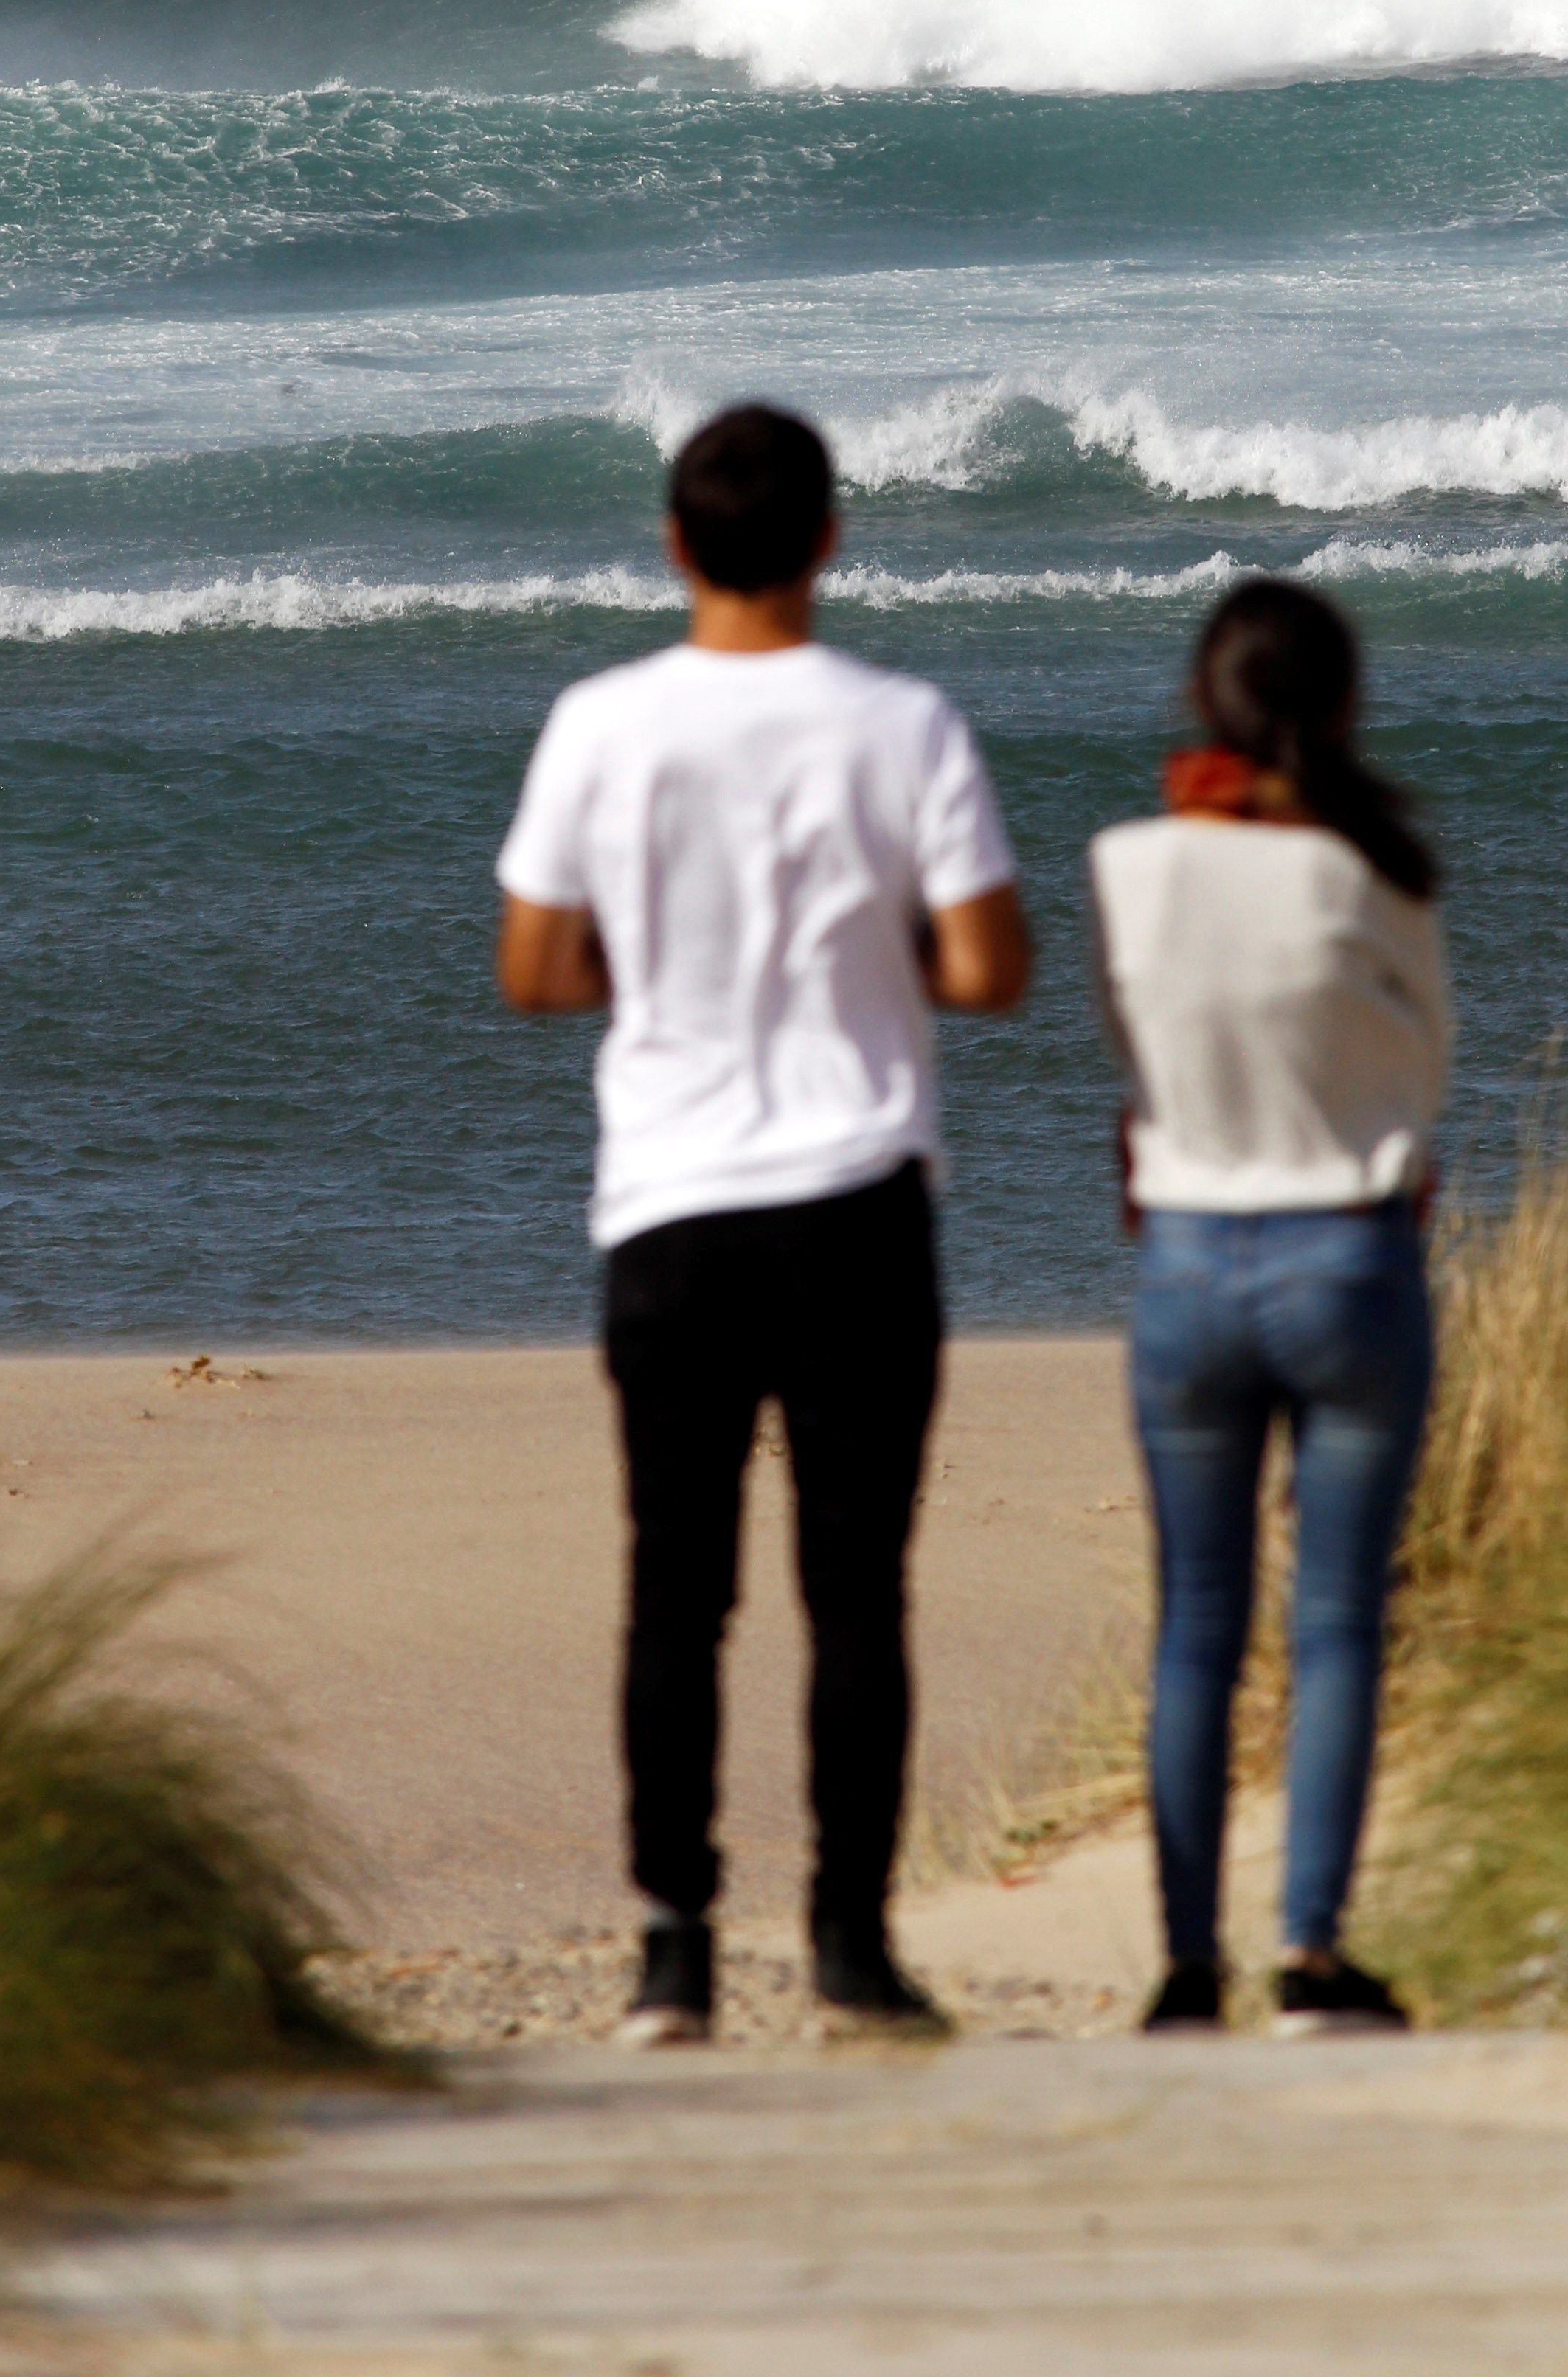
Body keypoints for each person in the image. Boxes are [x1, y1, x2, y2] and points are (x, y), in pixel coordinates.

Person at [496, 403, 1030, 2045]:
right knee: (857, 1587)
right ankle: (854, 1946)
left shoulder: (601, 721)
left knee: (679, 1587)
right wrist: (885, 969)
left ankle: (673, 1951)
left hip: (671, 1204)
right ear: (829, 539)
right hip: (858, 1197)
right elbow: (992, 970)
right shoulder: (904, 723)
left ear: (673, 546)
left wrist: (648, 980)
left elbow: (532, 972)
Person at [1088, 575, 1448, 2036]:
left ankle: (1186, 1967)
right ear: (1346, 708)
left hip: (1185, 1254)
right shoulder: (1377, 875)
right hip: (1347, 1251)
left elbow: (1133, 1064)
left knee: (1195, 1625)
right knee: (1340, 1619)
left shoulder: (1127, 863)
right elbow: (1424, 1078)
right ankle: (1311, 1953)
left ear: (1201, 702)